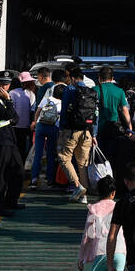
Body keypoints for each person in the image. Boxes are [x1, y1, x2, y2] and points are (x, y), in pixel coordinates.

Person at [0, 71, 24, 216]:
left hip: (10, 139)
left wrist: (8, 102)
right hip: (1, 139)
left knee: (18, 170)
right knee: (1, 174)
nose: (5, 87)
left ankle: (11, 200)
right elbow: (10, 116)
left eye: (7, 84)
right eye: (3, 84)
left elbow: (15, 118)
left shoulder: (2, 99)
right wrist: (8, 100)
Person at [80, 175, 124, 271]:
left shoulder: (93, 209)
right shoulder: (119, 207)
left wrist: (81, 257)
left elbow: (88, 235)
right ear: (113, 193)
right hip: (119, 250)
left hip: (101, 251)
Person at [57, 66, 97, 203]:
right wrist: (94, 134)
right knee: (82, 163)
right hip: (87, 131)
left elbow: (64, 110)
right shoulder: (91, 91)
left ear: (73, 78)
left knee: (64, 157)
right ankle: (83, 197)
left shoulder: (70, 89)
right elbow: (95, 113)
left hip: (70, 130)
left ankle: (77, 186)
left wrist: (62, 128)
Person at [95, 65, 133, 177]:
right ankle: (111, 178)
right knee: (112, 155)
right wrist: (130, 128)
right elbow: (125, 110)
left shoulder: (94, 90)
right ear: (112, 77)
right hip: (114, 127)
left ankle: (100, 178)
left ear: (99, 77)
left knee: (99, 155)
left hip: (98, 128)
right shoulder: (119, 91)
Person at [30, 71, 64, 189]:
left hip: (40, 126)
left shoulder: (47, 98)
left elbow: (38, 112)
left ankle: (33, 180)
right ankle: (50, 179)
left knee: (38, 154)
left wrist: (36, 122)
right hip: (54, 128)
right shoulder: (62, 102)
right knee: (51, 153)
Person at [9, 71, 36, 164]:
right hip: (26, 125)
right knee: (22, 147)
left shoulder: (12, 93)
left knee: (15, 148)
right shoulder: (26, 94)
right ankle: (22, 165)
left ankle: (16, 166)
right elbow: (30, 110)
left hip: (16, 126)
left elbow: (11, 110)